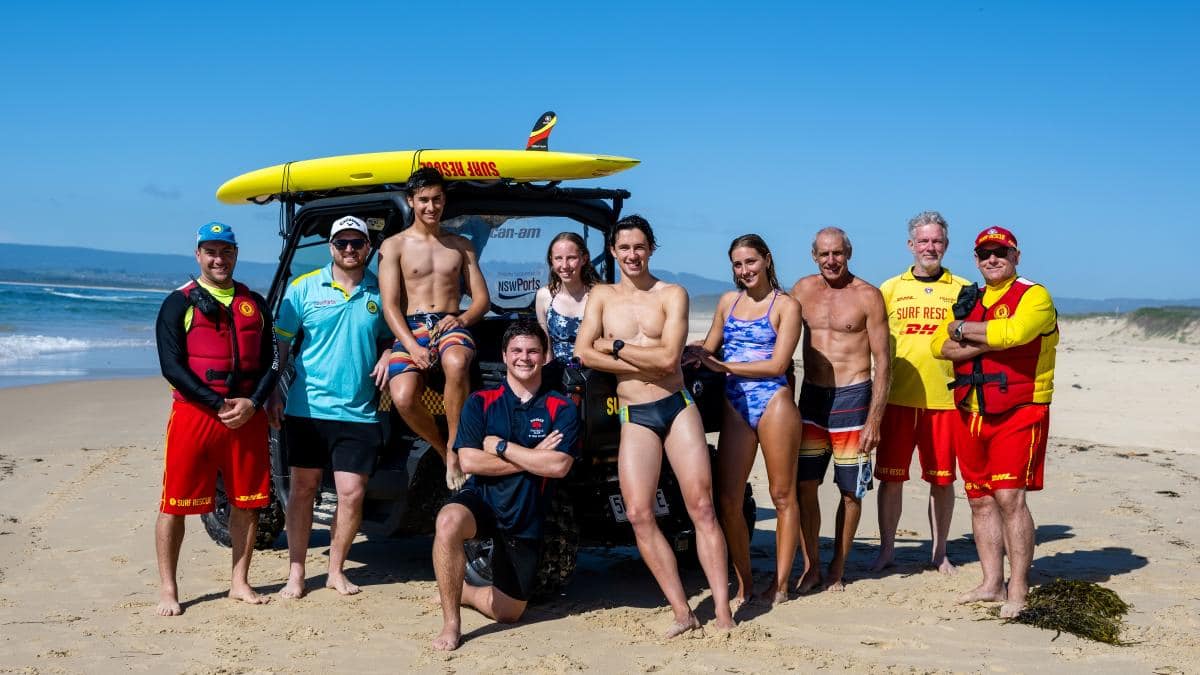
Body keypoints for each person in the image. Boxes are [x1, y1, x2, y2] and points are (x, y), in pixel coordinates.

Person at [576, 215, 735, 636]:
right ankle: (682, 611)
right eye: (624, 247)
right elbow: (583, 353)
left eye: (639, 247)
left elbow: (669, 361)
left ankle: (722, 611)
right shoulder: (601, 296)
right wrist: (619, 353)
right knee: (638, 512)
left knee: (702, 507)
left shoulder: (672, 293)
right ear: (613, 251)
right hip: (635, 414)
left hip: (676, 407)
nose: (632, 255)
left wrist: (616, 346)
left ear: (651, 249)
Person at [153, 222, 280, 616]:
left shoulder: (254, 303)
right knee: (174, 503)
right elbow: (171, 366)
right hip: (196, 415)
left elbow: (273, 361)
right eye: (210, 251)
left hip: (247, 416)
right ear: (198, 255)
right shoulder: (179, 302)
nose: (218, 259)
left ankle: (239, 582)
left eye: (225, 251)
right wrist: (216, 403)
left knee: (248, 501)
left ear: (236, 254)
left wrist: (254, 403)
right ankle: (169, 589)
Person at [431, 320, 579, 651]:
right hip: (481, 500)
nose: (524, 358)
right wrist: (533, 457)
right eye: (516, 351)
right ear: (504, 355)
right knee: (448, 521)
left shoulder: (561, 406)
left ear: (544, 356)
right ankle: (451, 624)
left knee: (510, 612)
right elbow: (469, 461)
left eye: (532, 351)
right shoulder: (481, 402)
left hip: (526, 516)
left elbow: (558, 465)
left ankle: (464, 591)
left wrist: (501, 446)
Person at [933, 225, 1058, 618]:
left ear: (1015, 256)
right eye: (985, 253)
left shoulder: (1034, 295)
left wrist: (964, 332)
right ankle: (991, 582)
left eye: (1000, 252)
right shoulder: (969, 297)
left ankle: (1018, 586)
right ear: (975, 259)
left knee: (1009, 498)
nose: (992, 259)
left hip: (1020, 410)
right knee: (980, 499)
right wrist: (975, 334)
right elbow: (940, 345)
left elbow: (1016, 333)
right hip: (971, 410)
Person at [272, 216, 393, 598]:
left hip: (359, 411)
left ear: (369, 248)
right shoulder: (303, 289)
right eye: (342, 243)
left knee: (352, 493)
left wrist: (391, 352)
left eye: (357, 243)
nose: (350, 249)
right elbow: (280, 347)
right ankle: (296, 572)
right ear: (331, 247)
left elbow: (394, 336)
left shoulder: (381, 292)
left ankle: (336, 570)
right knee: (303, 489)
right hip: (307, 409)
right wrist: (273, 390)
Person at [684, 234, 802, 607]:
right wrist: (685, 352)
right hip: (735, 401)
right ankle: (744, 581)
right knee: (729, 498)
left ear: (766, 260)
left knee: (782, 495)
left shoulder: (785, 305)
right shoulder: (727, 301)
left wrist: (724, 366)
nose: (744, 270)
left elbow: (779, 364)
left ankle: (781, 585)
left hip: (774, 401)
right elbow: (709, 345)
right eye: (737, 264)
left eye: (751, 262)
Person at [789, 226, 890, 592]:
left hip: (854, 399)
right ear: (814, 255)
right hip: (813, 399)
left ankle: (838, 566)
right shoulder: (801, 290)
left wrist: (875, 420)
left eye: (838, 253)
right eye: (824, 254)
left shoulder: (868, 296)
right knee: (804, 484)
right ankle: (812, 564)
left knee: (851, 491)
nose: (831, 260)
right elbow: (773, 330)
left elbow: (884, 363)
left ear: (848, 253)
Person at [378, 167, 491, 490]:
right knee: (402, 397)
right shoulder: (394, 246)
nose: (431, 207)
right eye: (424, 200)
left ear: (444, 201)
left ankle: (457, 448)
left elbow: (482, 300)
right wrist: (412, 347)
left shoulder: (461, 245)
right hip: (411, 327)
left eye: (437, 199)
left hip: (451, 322)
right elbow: (389, 305)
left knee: (456, 362)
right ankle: (443, 451)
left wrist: (462, 319)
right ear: (411, 201)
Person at [871, 212, 971, 574]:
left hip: (945, 400)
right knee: (891, 478)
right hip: (897, 399)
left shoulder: (963, 288)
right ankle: (886, 550)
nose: (931, 247)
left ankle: (940, 551)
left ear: (945, 245)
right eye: (924, 241)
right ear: (911, 245)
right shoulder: (889, 288)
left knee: (942, 480)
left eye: (937, 241)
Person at [534, 231, 600, 365]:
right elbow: (545, 346)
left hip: (593, 374)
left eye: (571, 258)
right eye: (558, 258)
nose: (564, 265)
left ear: (584, 259)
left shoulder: (600, 294)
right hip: (558, 376)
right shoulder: (544, 296)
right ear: (551, 261)